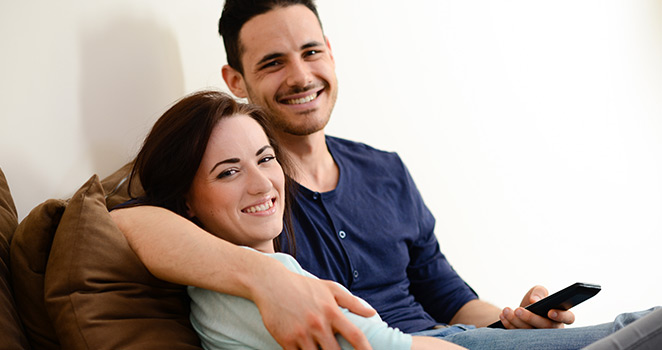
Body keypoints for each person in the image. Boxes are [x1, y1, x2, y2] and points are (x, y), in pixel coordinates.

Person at [110, 1, 658, 349]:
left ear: (331, 55)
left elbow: (445, 291)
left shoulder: (385, 169)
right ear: (236, 79)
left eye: (311, 52)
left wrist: (515, 318)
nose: (301, 76)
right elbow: (128, 220)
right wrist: (267, 278)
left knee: (631, 326)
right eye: (273, 62)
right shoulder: (247, 202)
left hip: (460, 338)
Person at [124, 89, 465, 350]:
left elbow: (445, 291)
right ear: (187, 203)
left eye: (266, 159)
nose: (262, 184)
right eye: (229, 172)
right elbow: (380, 346)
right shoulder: (249, 287)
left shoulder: (271, 274)